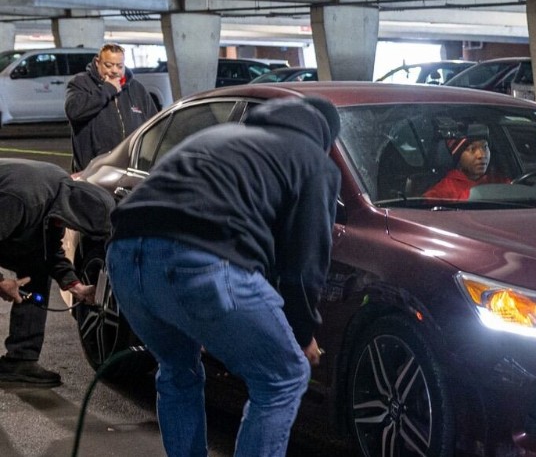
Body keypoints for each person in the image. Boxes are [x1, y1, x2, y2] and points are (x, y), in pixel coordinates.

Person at [105, 97, 340, 456]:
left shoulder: (219, 135)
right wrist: (303, 332)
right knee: (284, 376)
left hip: (124, 258)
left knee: (178, 369)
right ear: (325, 140)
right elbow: (305, 261)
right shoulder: (312, 160)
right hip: (200, 260)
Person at [0, 158, 112, 387]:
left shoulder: (60, 195)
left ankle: (20, 360)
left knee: (37, 268)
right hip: (9, 210)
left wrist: (75, 286)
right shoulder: (23, 200)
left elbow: (49, 251)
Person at [65, 43, 159, 172]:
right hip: (94, 171)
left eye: (119, 66)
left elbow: (154, 124)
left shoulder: (136, 88)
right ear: (98, 63)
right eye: (108, 65)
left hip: (131, 168)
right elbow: (74, 111)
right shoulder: (81, 83)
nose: (114, 70)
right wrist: (107, 90)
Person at [423, 132, 510, 200]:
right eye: (472, 149)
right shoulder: (443, 191)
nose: (482, 155)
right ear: (459, 157)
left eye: (485, 147)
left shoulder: (500, 182)